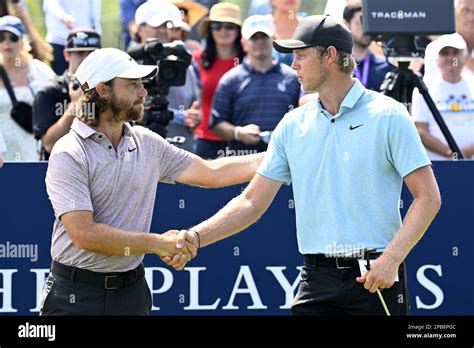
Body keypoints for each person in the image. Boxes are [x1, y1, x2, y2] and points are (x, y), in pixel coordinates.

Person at [164, 15, 441, 316]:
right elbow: (251, 201)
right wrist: (196, 236)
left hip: (375, 276)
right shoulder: (293, 124)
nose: (293, 65)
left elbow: (428, 197)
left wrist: (391, 259)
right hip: (316, 279)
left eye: (301, 55)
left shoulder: (389, 115)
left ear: (330, 55)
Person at [40, 48, 264, 315]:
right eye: (133, 85)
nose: (143, 93)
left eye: (141, 85)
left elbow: (213, 172)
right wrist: (159, 244)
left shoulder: (146, 142)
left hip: (132, 293)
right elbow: (84, 234)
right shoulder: (69, 152)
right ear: (102, 90)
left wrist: (280, 155)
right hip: (75, 296)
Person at [209, 15, 300, 154]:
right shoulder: (230, 80)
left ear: (274, 39)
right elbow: (216, 123)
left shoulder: (293, 78)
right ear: (244, 43)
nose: (260, 42)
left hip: (283, 159)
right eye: (254, 38)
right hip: (241, 160)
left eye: (264, 37)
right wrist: (238, 133)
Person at [134, 1, 201, 152]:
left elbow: (194, 106)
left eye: (167, 26)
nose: (163, 32)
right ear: (139, 29)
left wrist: (194, 117)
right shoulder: (126, 66)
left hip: (181, 152)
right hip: (138, 152)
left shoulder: (182, 65)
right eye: (157, 26)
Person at [33, 29, 101, 160]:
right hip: (59, 172)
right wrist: (75, 105)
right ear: (66, 55)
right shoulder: (50, 91)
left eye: (91, 54)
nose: (86, 59)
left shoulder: (107, 90)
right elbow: (50, 144)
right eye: (80, 53)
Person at [0, 16, 55, 161]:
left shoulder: (39, 71)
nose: (7, 43)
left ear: (23, 40)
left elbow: (58, 103)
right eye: (1, 37)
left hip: (33, 151)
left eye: (13, 37)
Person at [194, 2, 245, 159]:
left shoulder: (249, 60)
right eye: (217, 25)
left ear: (238, 30)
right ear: (210, 29)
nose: (223, 31)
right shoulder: (197, 59)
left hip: (242, 139)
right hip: (205, 140)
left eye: (229, 26)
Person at [412, 33, 474, 160]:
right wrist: (452, 154)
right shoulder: (423, 88)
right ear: (437, 59)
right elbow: (420, 130)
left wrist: (464, 153)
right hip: (439, 165)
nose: (450, 57)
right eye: (445, 53)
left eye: (455, 52)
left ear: (465, 57)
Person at [342, 1, 395, 92]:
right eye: (361, 23)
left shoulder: (388, 68)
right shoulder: (337, 68)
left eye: (370, 23)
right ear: (347, 24)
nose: (366, 29)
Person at [43, 0, 102, 74]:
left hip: (88, 42)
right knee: (62, 78)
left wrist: (97, 31)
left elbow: (95, 8)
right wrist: (62, 16)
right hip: (60, 38)